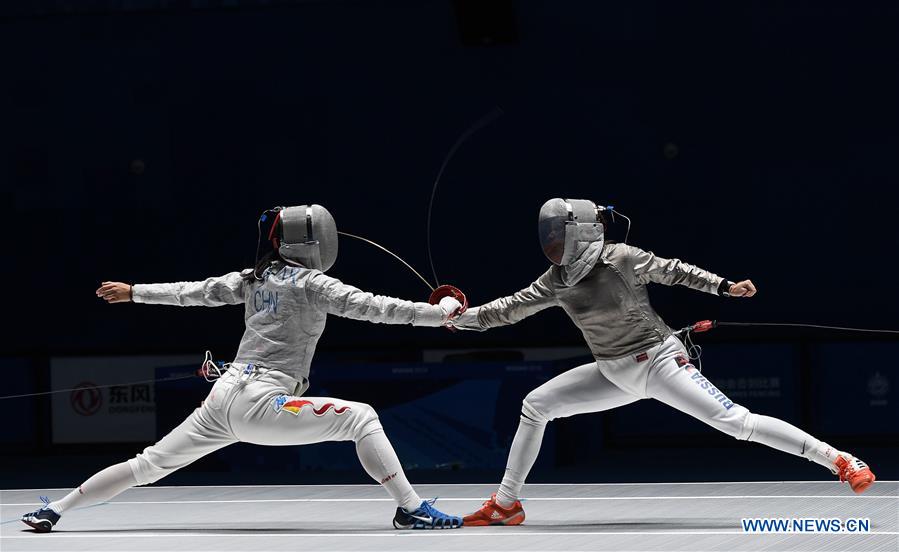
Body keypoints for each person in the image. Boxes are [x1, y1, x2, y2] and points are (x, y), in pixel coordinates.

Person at [22, 204, 465, 532]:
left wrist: (135, 292)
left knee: (147, 465)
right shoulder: (314, 284)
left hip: (222, 399)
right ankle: (409, 508)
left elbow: (190, 292)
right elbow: (379, 308)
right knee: (361, 417)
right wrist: (443, 310)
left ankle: (54, 510)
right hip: (262, 403)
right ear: (311, 244)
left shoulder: (252, 278)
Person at [453, 198, 876, 526]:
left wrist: (724, 287)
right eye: (549, 237)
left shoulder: (621, 257)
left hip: (659, 363)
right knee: (536, 405)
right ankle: (505, 505)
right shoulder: (557, 280)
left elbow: (673, 270)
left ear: (580, 232)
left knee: (737, 423)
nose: (553, 245)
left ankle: (838, 459)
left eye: (558, 235)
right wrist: (459, 320)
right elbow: (507, 309)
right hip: (612, 372)